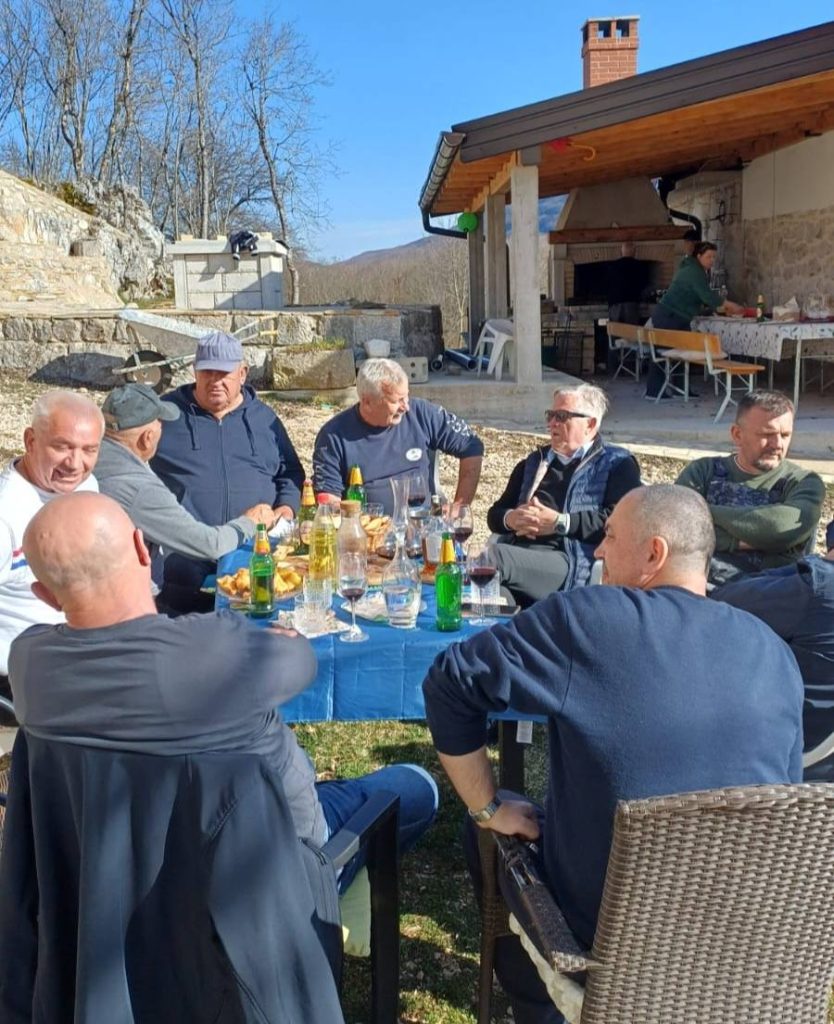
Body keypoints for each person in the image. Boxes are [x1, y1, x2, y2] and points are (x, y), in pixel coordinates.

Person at [423, 484, 803, 1024]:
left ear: (654, 554)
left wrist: (488, 808)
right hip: (749, 956)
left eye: (610, 536)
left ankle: (538, 1005)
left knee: (486, 826)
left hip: (608, 953)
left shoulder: (588, 620)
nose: (598, 550)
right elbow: (785, 806)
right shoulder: (774, 651)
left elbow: (450, 682)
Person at [11, 492, 438, 896]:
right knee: (417, 786)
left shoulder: (28, 663)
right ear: (143, 550)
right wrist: (270, 641)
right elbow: (302, 661)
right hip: (269, 884)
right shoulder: (218, 649)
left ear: (44, 595)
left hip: (123, 884)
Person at [151, 331, 305, 613]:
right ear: (194, 371)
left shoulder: (264, 420)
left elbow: (291, 472)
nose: (215, 380)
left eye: (223, 373)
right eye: (207, 372)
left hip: (254, 545)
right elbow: (133, 463)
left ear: (242, 373)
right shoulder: (166, 416)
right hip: (188, 549)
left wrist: (286, 508)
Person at [96, 382, 277, 591]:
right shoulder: (139, 488)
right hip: (134, 600)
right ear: (147, 438)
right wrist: (251, 522)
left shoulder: (89, 460)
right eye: (160, 423)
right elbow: (209, 545)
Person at [487, 383, 640, 606]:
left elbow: (620, 523)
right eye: (550, 415)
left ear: (590, 424)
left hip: (569, 559)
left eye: (561, 416)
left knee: (490, 559)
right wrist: (511, 518)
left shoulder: (617, 464)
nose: (552, 423)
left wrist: (560, 523)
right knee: (493, 599)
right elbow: (495, 514)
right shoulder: (534, 462)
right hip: (519, 556)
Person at [0, 391, 104, 700]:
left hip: (81, 655)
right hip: (25, 679)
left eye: (89, 450)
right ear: (30, 441)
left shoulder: (86, 485)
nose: (75, 463)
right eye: (62, 447)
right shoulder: (7, 512)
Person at [676, 390, 825, 585]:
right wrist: (756, 540)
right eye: (767, 434)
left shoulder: (804, 482)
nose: (777, 444)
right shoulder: (703, 471)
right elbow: (676, 524)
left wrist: (703, 513)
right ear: (737, 434)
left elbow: (781, 529)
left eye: (785, 435)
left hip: (769, 593)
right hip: (700, 587)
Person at [713, 557, 834, 781]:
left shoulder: (820, 589)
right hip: (813, 771)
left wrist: (815, 566)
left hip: (752, 754)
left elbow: (724, 600)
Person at [313, 358, 484, 513]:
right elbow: (329, 502)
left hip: (421, 523)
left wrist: (459, 506)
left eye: (406, 396)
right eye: (397, 401)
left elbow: (472, 445)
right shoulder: (333, 436)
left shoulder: (421, 414)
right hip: (368, 529)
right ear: (367, 402)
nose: (406, 407)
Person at [645, 241, 744, 398]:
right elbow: (707, 295)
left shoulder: (694, 269)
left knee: (680, 352)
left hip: (677, 316)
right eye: (709, 257)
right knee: (662, 353)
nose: (712, 260)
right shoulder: (693, 271)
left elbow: (697, 296)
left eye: (714, 257)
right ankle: (654, 390)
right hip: (669, 316)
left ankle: (680, 388)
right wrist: (730, 305)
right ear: (698, 256)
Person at [606, 241, 644, 327]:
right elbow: (643, 285)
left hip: (615, 304)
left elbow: (607, 285)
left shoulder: (612, 266)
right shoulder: (639, 266)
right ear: (634, 252)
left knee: (616, 331)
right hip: (631, 304)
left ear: (621, 252)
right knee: (630, 332)